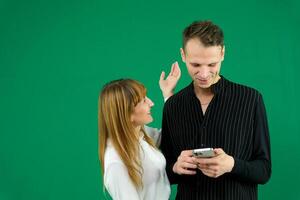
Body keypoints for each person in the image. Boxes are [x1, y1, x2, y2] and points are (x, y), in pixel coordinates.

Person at [160, 20, 271, 200]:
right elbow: (164, 172)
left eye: (212, 64)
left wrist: (232, 165)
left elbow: (264, 171)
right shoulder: (173, 106)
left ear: (223, 53)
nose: (204, 74)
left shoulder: (251, 99)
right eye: (195, 65)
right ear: (183, 55)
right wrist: (175, 167)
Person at [98, 63, 181, 200]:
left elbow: (171, 135)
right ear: (126, 113)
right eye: (143, 100)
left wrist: (168, 94)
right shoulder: (116, 162)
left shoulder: (142, 135)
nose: (151, 103)